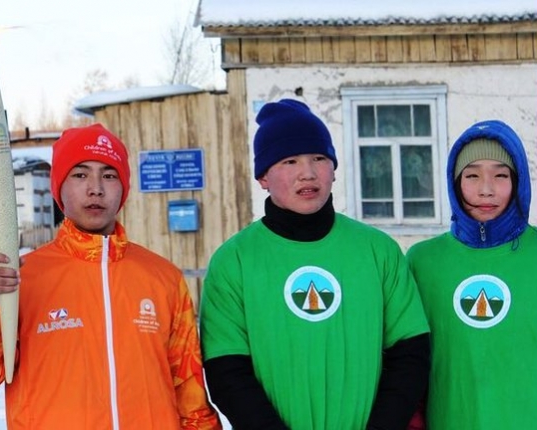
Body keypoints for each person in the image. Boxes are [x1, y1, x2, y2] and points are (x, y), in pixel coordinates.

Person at [0, 123, 221, 430]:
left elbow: (190, 396)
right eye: (80, 175)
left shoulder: (163, 278)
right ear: (59, 189)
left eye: (109, 175)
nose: (96, 188)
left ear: (124, 188)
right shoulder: (22, 278)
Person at [199, 99, 430, 430]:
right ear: (263, 177)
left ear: (333, 169)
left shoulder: (378, 251)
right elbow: (227, 370)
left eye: (318, 158)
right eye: (289, 161)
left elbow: (410, 353)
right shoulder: (234, 261)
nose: (307, 173)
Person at [406, 119, 537, 429]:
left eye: (501, 175)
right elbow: (406, 361)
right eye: (472, 175)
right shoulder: (422, 261)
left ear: (518, 181)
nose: (486, 189)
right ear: (455, 183)